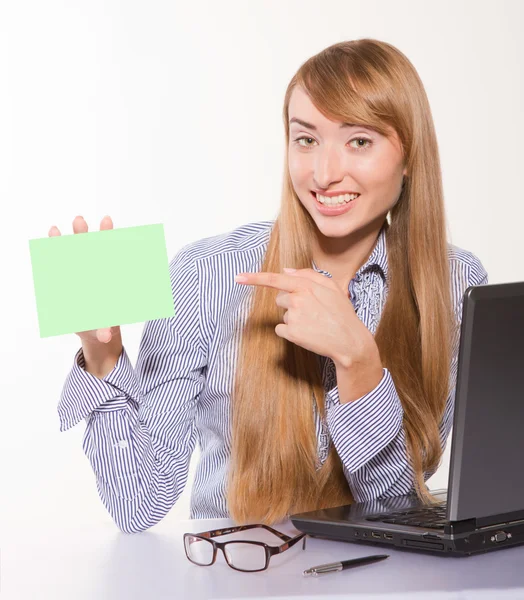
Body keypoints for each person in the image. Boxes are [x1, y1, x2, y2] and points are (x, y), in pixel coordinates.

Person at [50, 38, 487, 534]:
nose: (324, 174)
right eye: (306, 140)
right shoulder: (205, 271)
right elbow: (139, 505)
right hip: (236, 573)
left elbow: (395, 510)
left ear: (409, 156)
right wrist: (102, 357)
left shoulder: (454, 283)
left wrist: (359, 364)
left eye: (359, 141)